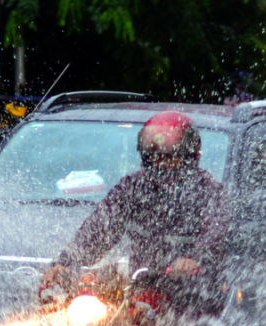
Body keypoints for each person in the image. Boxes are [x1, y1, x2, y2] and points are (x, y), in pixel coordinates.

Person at [40, 110, 229, 313]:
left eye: (170, 157)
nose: (162, 163)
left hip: (193, 293)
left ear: (189, 157)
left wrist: (194, 260)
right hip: (141, 286)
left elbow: (214, 236)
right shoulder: (133, 187)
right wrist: (65, 262)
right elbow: (100, 227)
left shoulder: (210, 193)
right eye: (155, 157)